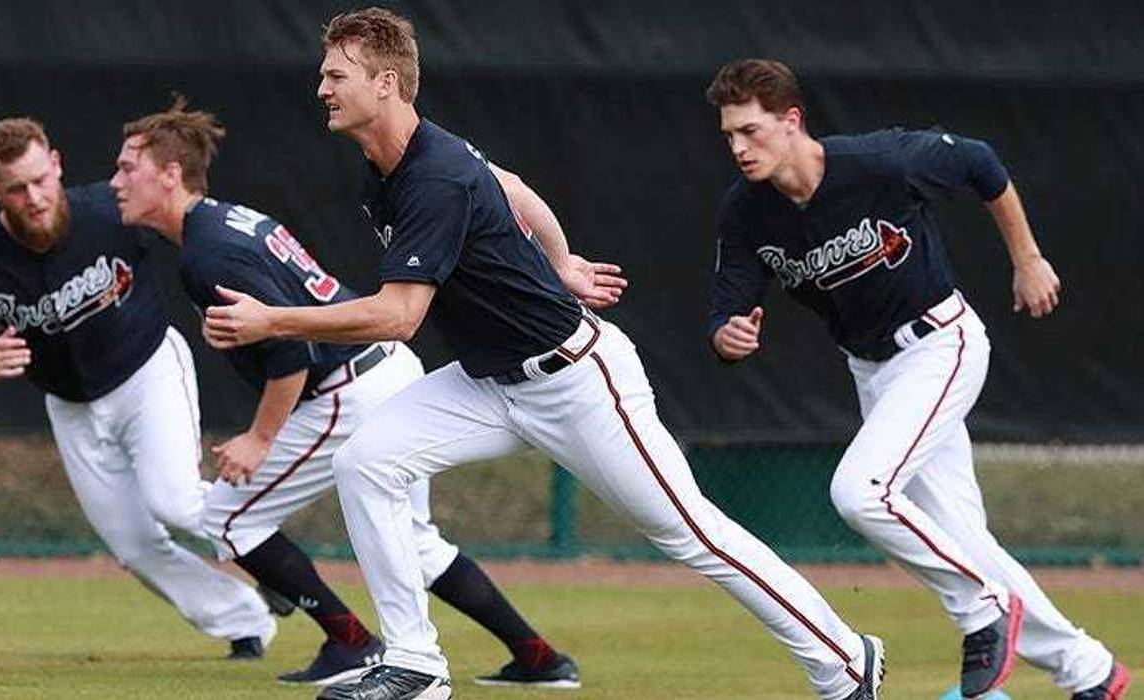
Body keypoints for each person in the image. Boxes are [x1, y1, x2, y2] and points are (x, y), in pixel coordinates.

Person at [203, 8, 885, 700]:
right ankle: (414, 663)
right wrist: (559, 262)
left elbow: (400, 317)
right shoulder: (399, 161)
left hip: (575, 380)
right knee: (365, 461)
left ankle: (844, 657)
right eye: (323, 74)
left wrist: (271, 319)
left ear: (385, 83)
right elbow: (515, 187)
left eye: (335, 75)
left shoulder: (431, 173)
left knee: (691, 534)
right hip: (489, 383)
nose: (320, 87)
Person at [107, 98, 581, 689]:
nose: (117, 180)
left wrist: (259, 438)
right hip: (384, 371)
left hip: (345, 387)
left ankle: (350, 642)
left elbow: (289, 352)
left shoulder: (208, 253)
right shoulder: (229, 220)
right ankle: (539, 659)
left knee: (229, 519)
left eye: (129, 167)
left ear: (171, 174)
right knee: (414, 540)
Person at [703, 59, 1131, 700]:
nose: (739, 147)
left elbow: (981, 163)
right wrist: (727, 335)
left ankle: (980, 608)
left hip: (940, 344)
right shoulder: (747, 212)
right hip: (873, 372)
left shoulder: (879, 164)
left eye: (751, 130)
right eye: (729, 135)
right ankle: (1090, 672)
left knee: (859, 492)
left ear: (792, 121)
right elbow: (728, 297)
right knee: (964, 540)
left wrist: (1028, 258)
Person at [0, 117, 277, 659]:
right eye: (16, 187)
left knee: (175, 500)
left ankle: (276, 562)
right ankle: (246, 622)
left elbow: (191, 223)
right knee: (133, 545)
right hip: (72, 405)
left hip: (146, 370)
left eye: (40, 178)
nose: (34, 196)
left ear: (56, 164)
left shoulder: (110, 211)